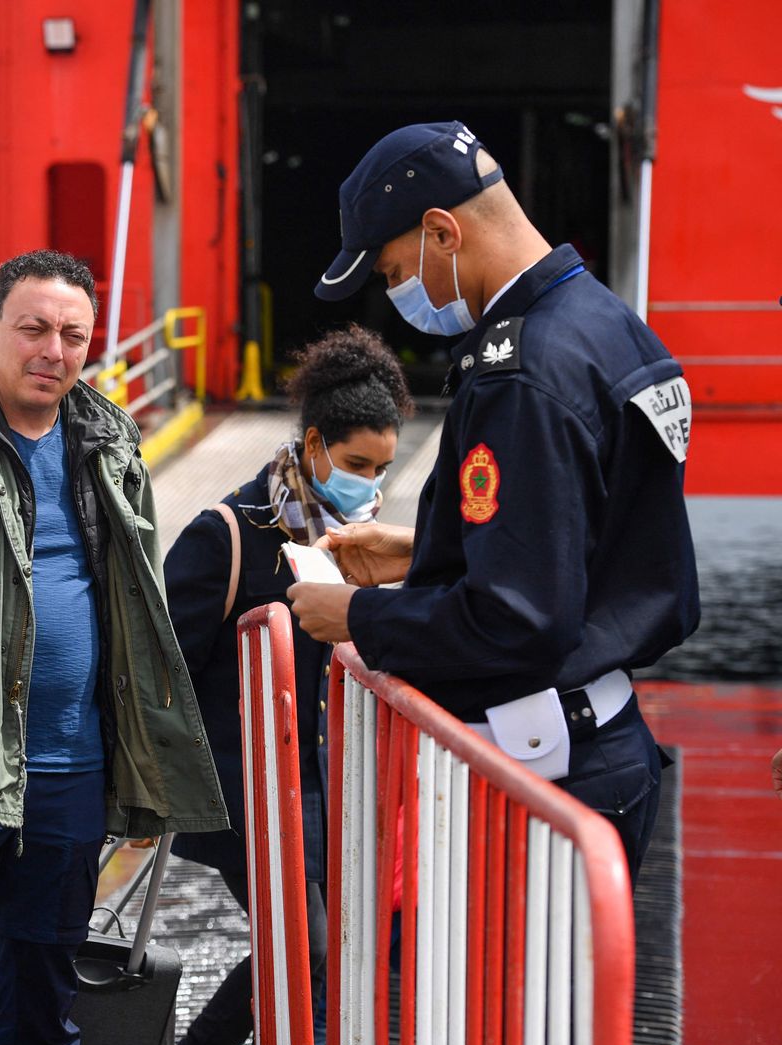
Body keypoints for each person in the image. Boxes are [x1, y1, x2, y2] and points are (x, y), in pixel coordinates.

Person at [291, 121, 700, 881]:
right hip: (603, 742)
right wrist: (426, 549)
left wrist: (353, 616)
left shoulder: (524, 372)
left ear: (442, 233)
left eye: (389, 272)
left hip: (543, 774)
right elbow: (594, 532)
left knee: (508, 1004)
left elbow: (516, 621)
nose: (396, 294)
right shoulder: (608, 325)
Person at [0, 249, 228, 1045]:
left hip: (70, 766)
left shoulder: (111, 447)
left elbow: (134, 611)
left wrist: (141, 763)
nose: (53, 350)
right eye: (33, 328)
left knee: (45, 989)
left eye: (74, 334)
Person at [164, 325, 413, 1045]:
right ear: (312, 447)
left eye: (383, 469)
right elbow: (165, 668)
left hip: (337, 788)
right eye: (357, 464)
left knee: (328, 948)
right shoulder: (227, 535)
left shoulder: (366, 544)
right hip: (249, 789)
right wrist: (145, 792)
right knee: (311, 944)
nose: (370, 485)